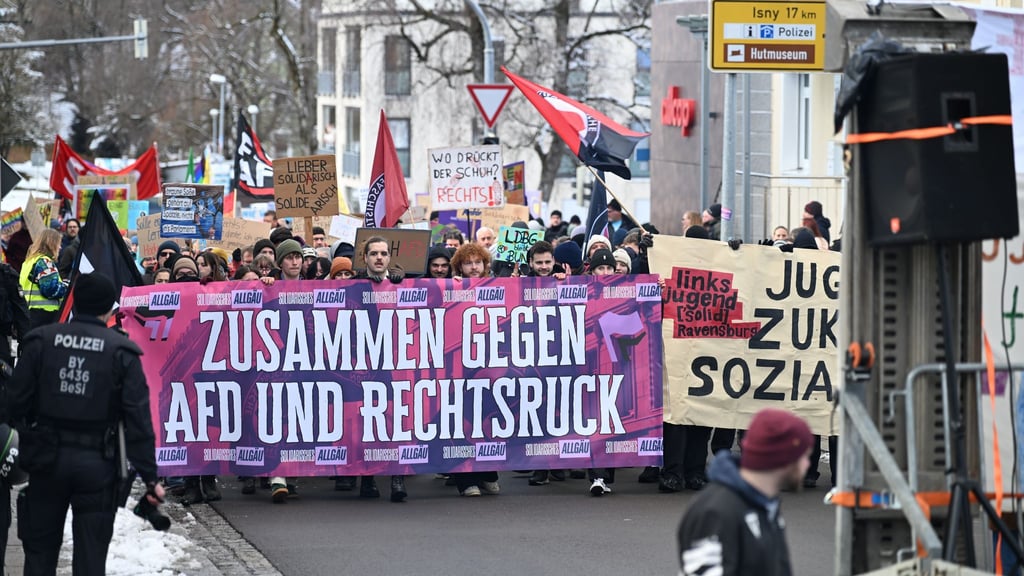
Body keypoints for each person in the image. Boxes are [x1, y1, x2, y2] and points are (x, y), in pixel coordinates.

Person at [8, 273, 166, 576]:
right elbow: (138, 422)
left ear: (75, 301)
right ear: (109, 308)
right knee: (91, 558)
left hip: (46, 460)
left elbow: (14, 402)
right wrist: (150, 477)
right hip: (97, 465)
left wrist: (25, 438)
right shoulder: (122, 351)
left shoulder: (41, 341)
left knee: (39, 554)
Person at [676, 409, 812, 576]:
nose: (807, 464)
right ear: (784, 457)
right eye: (804, 456)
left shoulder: (765, 503)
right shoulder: (714, 512)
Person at [351, 237, 408, 502]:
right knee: (367, 421)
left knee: (396, 420)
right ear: (365, 258)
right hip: (363, 366)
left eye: (384, 253)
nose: (379, 258)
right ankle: (368, 479)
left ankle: (397, 478)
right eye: (373, 253)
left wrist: (400, 282)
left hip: (396, 364)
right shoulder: (354, 286)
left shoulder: (401, 285)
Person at [20, 229, 68, 330]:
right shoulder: (45, 262)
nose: (60, 247)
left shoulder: (29, 261)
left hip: (30, 312)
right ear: (52, 243)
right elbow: (50, 290)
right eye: (58, 243)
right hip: (44, 315)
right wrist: (67, 286)